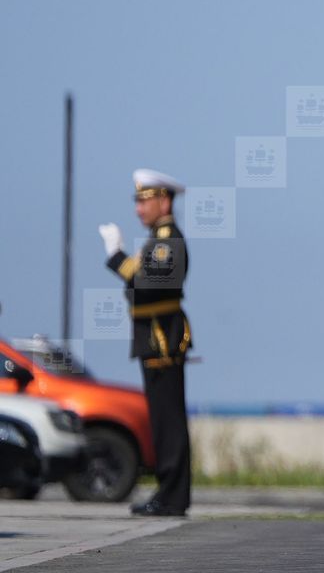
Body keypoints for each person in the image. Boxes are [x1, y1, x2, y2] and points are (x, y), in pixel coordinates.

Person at [101, 169, 193, 517]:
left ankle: (171, 497)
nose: (139, 210)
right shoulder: (158, 240)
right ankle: (170, 494)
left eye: (144, 201)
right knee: (162, 420)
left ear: (164, 200)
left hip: (161, 339)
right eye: (136, 202)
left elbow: (147, 287)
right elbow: (140, 284)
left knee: (168, 421)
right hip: (155, 338)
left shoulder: (167, 242)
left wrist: (116, 258)